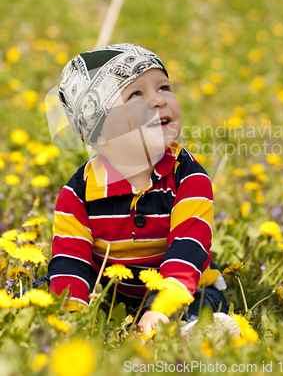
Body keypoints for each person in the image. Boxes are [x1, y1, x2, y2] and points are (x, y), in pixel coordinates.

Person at [48, 43, 240, 338]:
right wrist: (71, 317)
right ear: (99, 134)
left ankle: (194, 333)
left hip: (178, 285)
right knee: (54, 285)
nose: (158, 100)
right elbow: (72, 258)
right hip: (109, 290)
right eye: (135, 94)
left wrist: (162, 307)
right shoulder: (77, 194)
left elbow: (188, 247)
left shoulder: (189, 178)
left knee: (202, 301)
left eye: (164, 87)